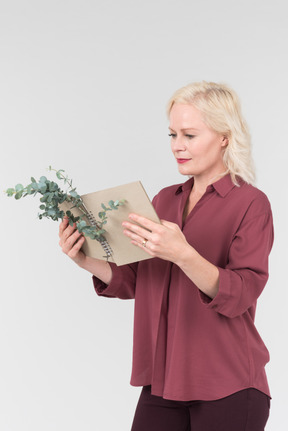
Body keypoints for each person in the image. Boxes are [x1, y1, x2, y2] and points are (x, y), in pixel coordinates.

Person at [59, 81, 274, 431]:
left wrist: (183, 253)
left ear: (224, 136)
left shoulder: (250, 203)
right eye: (172, 135)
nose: (177, 146)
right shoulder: (163, 201)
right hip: (164, 380)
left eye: (189, 135)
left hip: (229, 383)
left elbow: (243, 292)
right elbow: (142, 281)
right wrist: (86, 260)